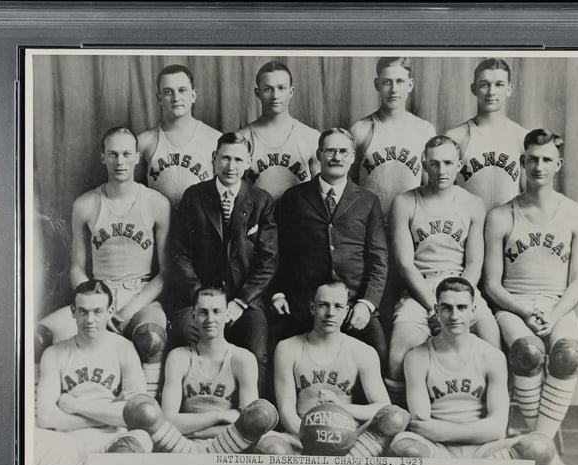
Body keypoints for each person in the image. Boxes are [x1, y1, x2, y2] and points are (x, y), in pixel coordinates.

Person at [483, 128, 578, 465]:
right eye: (532, 159)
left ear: (557, 164)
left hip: (557, 306)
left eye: (547, 159)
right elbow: (492, 285)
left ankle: (540, 449)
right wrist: (526, 312)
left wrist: (554, 313)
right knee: (528, 352)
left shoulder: (577, 214)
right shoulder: (501, 215)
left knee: (568, 355)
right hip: (513, 307)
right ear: (521, 162)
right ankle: (548, 454)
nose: (539, 166)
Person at [35, 127, 171, 398]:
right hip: (97, 292)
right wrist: (96, 305)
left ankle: (145, 407)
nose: (120, 162)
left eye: (126, 154)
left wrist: (127, 310)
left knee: (151, 339)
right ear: (102, 158)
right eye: (113, 154)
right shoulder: (85, 204)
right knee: (38, 337)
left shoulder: (156, 202)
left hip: (140, 295)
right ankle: (40, 406)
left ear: (136, 158)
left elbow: (165, 273)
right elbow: (76, 267)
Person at [388, 277, 556, 465]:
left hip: (483, 450)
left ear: (473, 310)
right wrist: (473, 431)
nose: (454, 315)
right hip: (437, 450)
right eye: (447, 308)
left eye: (461, 307)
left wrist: (445, 430)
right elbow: (421, 426)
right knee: (405, 449)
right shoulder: (417, 358)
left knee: (540, 447)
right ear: (436, 310)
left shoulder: (492, 357)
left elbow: (497, 428)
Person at [386, 135, 500, 407]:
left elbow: (474, 263)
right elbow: (404, 263)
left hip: (462, 287)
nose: (441, 170)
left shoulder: (472, 203)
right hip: (420, 290)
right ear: (423, 165)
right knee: (399, 351)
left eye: (448, 163)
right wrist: (433, 307)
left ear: (459, 165)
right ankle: (400, 421)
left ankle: (485, 413)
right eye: (434, 164)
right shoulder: (404, 202)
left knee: (491, 339)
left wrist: (460, 301)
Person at [169, 132, 278, 397]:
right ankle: (197, 405)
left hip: (245, 301)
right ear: (214, 159)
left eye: (239, 159)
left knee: (258, 354)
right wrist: (199, 296)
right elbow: (179, 254)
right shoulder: (194, 197)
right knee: (186, 338)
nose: (231, 166)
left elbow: (268, 260)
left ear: (249, 162)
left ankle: (254, 418)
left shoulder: (261, 201)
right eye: (225, 158)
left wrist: (241, 301)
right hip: (200, 299)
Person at [273, 127, 388, 362]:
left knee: (380, 351)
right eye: (330, 151)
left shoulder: (368, 201)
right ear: (319, 154)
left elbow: (379, 259)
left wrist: (367, 305)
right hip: (305, 304)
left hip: (353, 302)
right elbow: (277, 252)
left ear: (353, 157)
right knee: (278, 349)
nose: (336, 157)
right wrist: (278, 293)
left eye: (343, 152)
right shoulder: (294, 197)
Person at [257, 282, 409, 456]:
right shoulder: (287, 348)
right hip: (300, 435)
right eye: (323, 305)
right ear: (312, 308)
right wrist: (312, 436)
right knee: (271, 447)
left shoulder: (362, 352)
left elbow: (382, 407)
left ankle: (351, 456)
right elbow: (286, 411)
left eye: (338, 307)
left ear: (346, 312)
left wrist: (343, 408)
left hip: (349, 438)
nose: (330, 313)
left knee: (396, 416)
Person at [34, 281, 153, 465]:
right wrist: (109, 415)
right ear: (73, 312)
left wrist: (75, 405)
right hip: (67, 439)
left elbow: (136, 414)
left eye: (98, 311)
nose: (90, 320)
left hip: (111, 437)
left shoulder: (124, 349)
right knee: (30, 440)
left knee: (141, 439)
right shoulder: (54, 354)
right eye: (83, 311)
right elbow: (46, 417)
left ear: (110, 311)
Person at [160, 288, 261, 439]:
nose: (210, 319)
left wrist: (195, 432)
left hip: (230, 444)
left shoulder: (242, 359)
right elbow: (168, 421)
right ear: (193, 316)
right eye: (203, 312)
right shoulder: (178, 358)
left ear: (227, 315)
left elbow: (249, 425)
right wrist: (219, 416)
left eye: (216, 311)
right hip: (184, 445)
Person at [349, 57, 436, 217]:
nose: (394, 89)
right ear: (377, 84)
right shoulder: (361, 129)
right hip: (369, 223)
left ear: (410, 85)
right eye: (387, 82)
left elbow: (430, 187)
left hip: (410, 223)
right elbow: (350, 184)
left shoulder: (425, 130)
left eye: (400, 81)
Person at [445, 58, 529, 213]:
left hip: (508, 230)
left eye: (499, 85)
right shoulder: (455, 137)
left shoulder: (522, 137)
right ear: (473, 88)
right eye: (484, 85)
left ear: (509, 89)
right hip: (466, 230)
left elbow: (528, 197)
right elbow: (441, 195)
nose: (491, 92)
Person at [138, 64, 221, 209]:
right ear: (159, 98)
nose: (176, 98)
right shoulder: (144, 142)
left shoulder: (215, 139)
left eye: (182, 90)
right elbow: (133, 191)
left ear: (193, 95)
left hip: (200, 227)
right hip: (160, 226)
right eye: (168, 92)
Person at [238, 60, 320, 201]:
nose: (275, 96)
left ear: (291, 91)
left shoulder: (311, 137)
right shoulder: (242, 138)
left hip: (300, 220)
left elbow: (320, 192)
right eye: (268, 89)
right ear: (257, 93)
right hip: (257, 220)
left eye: (281, 88)